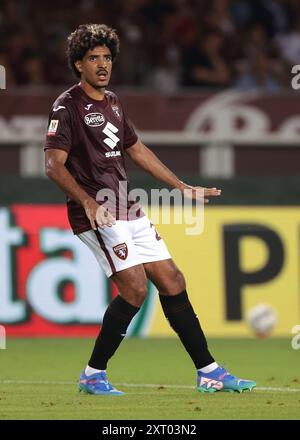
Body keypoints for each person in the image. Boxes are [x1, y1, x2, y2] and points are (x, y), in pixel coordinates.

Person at [44, 24, 256, 395]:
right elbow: (52, 165)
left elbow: (138, 150)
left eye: (107, 57)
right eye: (93, 58)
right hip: (98, 214)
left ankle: (209, 371)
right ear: (78, 64)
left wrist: (181, 186)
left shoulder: (113, 102)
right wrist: (89, 202)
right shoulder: (67, 106)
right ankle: (94, 374)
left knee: (173, 280)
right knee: (135, 290)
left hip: (128, 208)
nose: (102, 64)